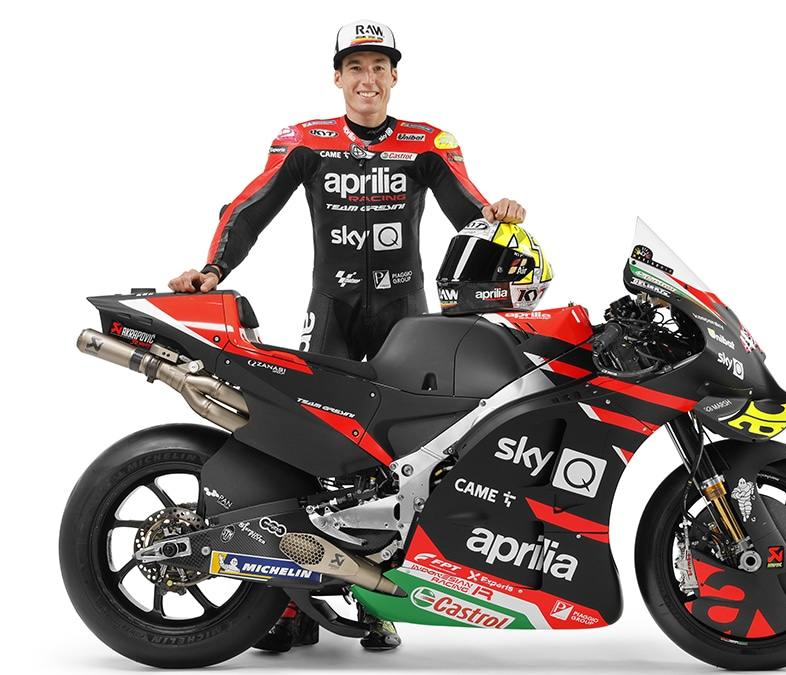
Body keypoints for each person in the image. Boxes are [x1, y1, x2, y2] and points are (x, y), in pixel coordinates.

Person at [168, 20, 526, 652]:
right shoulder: (306, 140)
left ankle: (377, 601)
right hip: (330, 310)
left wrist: (499, 215)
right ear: (337, 77)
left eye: (379, 67)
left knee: (403, 459)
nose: (368, 79)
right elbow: (249, 209)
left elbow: (470, 212)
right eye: (355, 67)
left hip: (404, 317)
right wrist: (213, 270)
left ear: (395, 76)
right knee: (305, 447)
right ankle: (290, 607)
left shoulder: (428, 142)